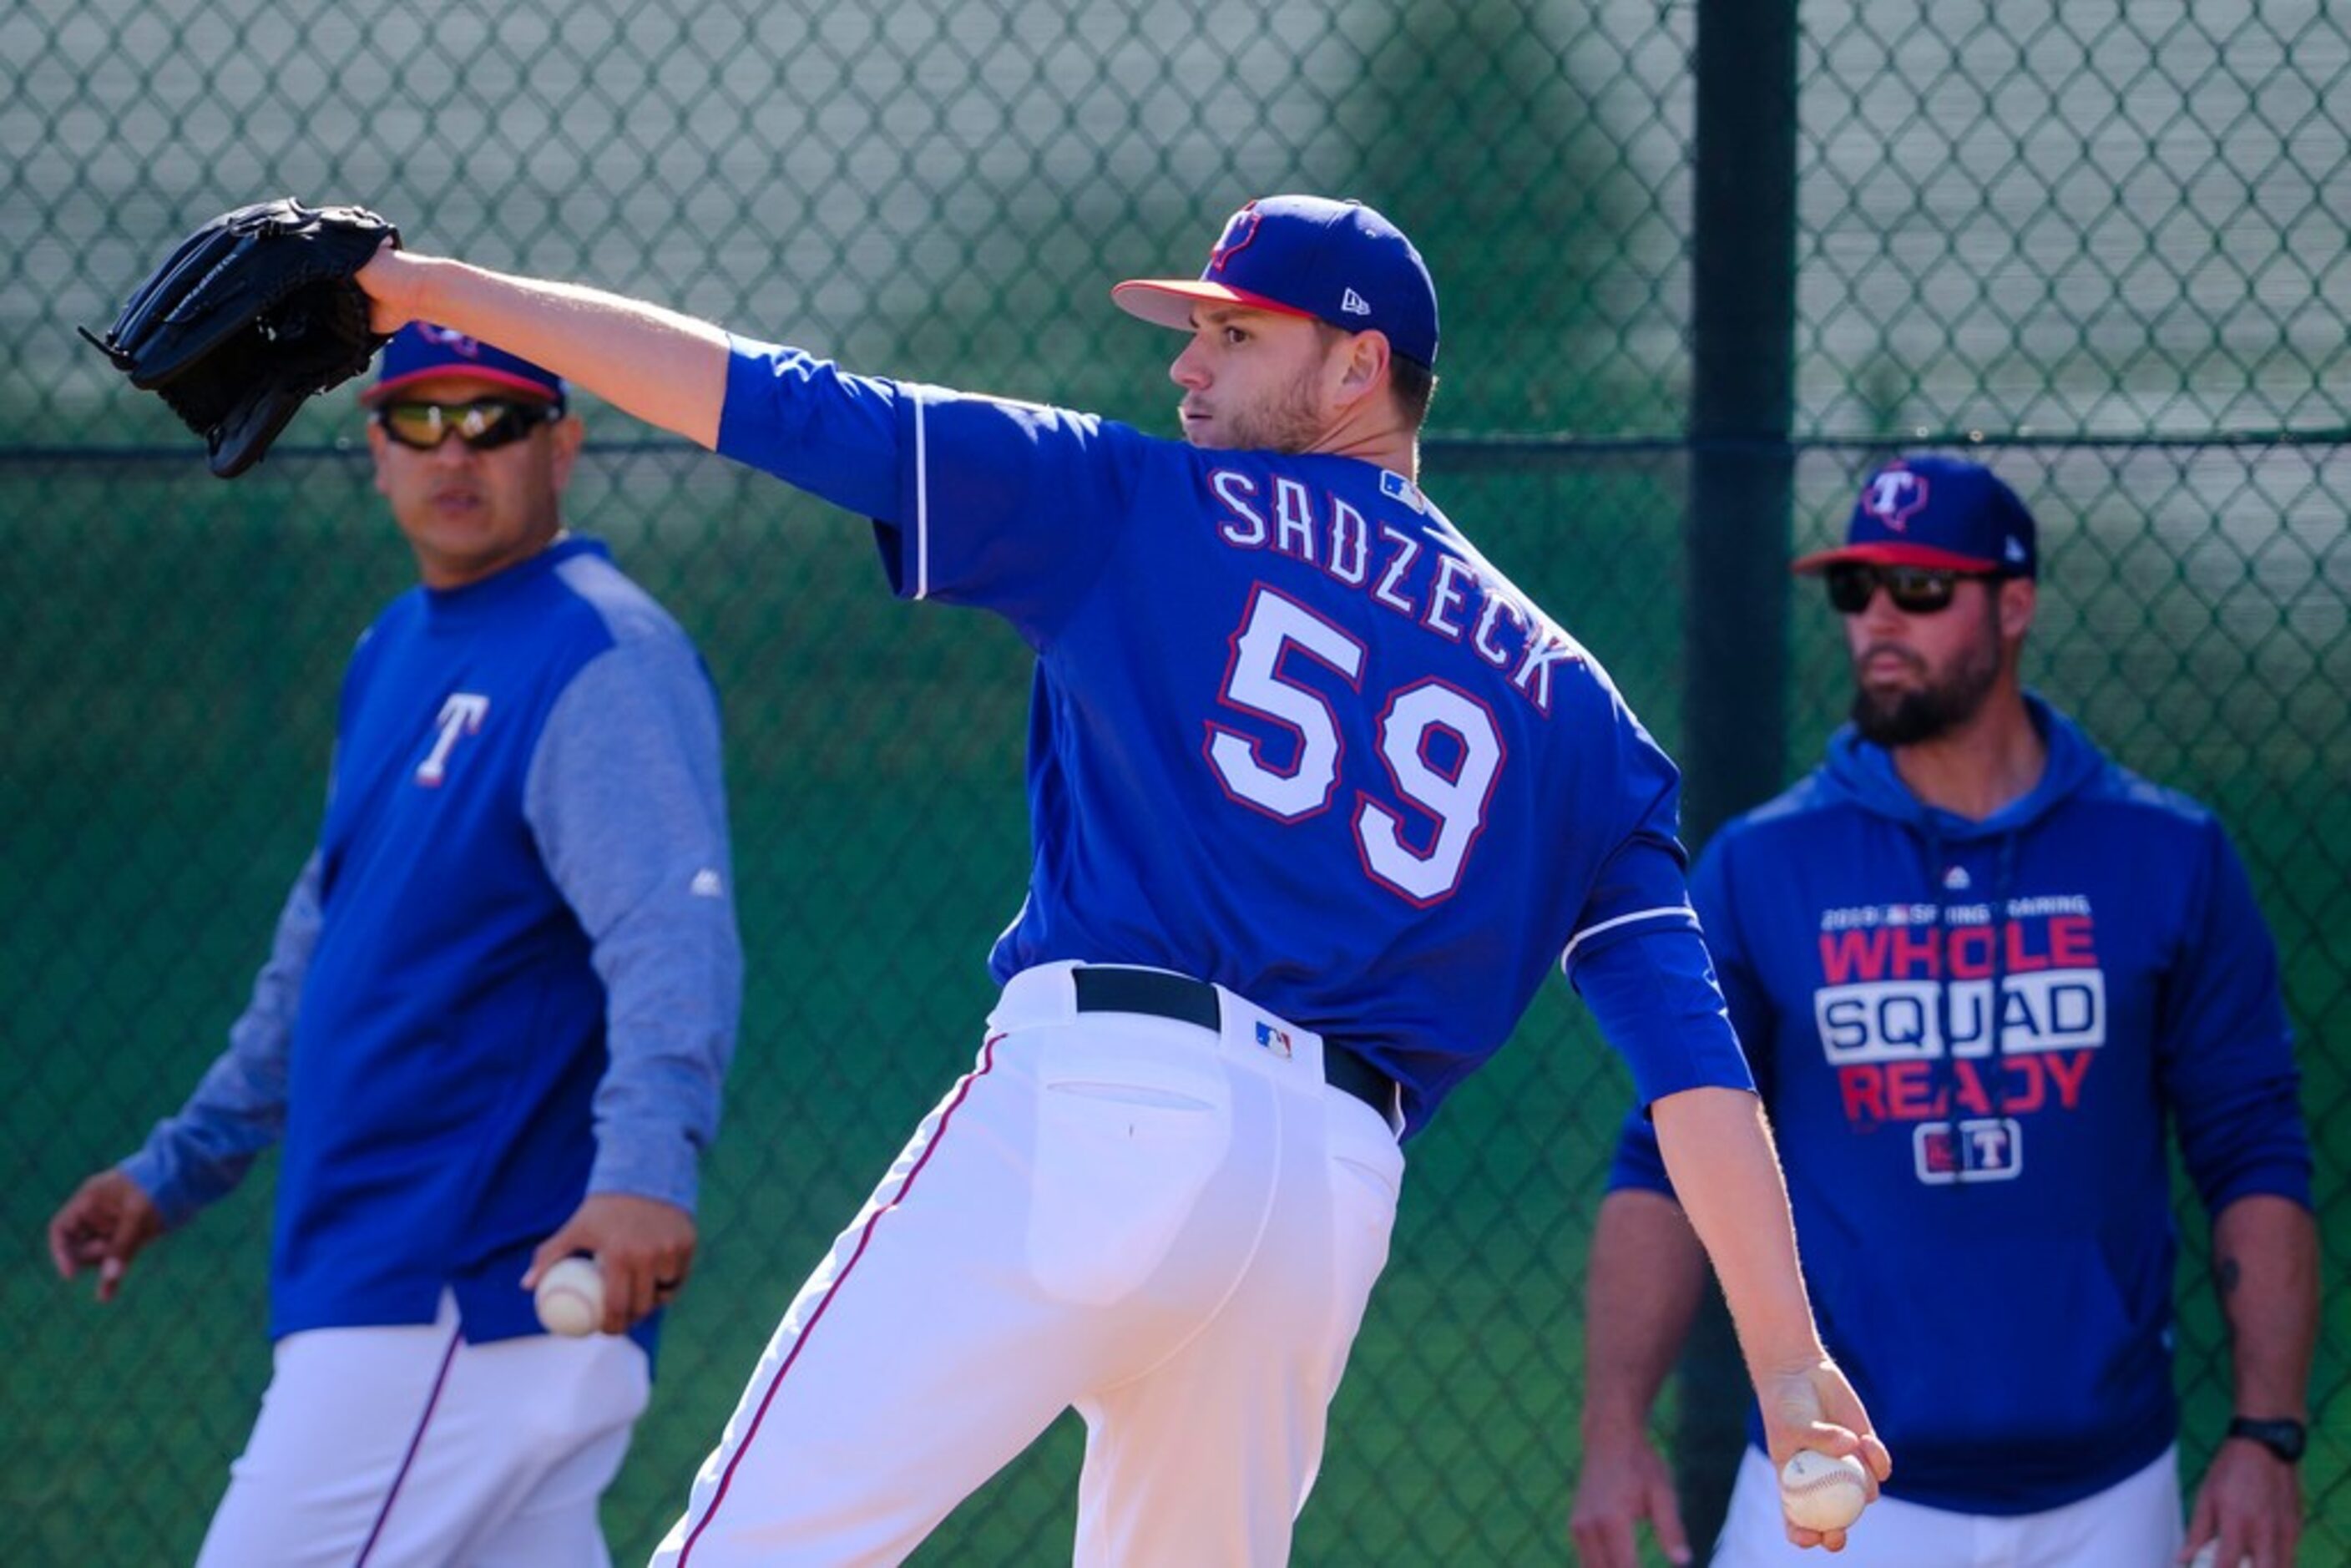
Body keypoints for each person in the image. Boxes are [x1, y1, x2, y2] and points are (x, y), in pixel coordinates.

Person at [345, 193, 1888, 1565]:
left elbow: (776, 401)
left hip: (1104, 1107)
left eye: (1234, 331)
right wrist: (1789, 1359)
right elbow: (1694, 1066)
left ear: (1359, 368)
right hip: (1329, 1203)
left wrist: (429, 289)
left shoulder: (1138, 500)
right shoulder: (1578, 706)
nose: (1186, 366)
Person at [47, 324, 745, 1566]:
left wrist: (644, 1168)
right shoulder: (392, 647)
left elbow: (667, 931)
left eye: (498, 419)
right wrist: (178, 1164)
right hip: (407, 1287)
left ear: (564, 445)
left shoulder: (598, 651)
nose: (455, 449)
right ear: (374, 448)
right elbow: (323, 944)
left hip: (466, 1284)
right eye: (421, 418)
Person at [1568, 456, 2318, 1568]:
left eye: (1919, 588)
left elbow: (2252, 1148)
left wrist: (2266, 1432)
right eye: (1856, 589)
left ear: (2014, 605)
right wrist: (1612, 1429)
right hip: (1834, 1490)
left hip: (2108, 1492)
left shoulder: (2167, 855)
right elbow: (1666, 1160)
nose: (1877, 618)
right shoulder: (1762, 866)